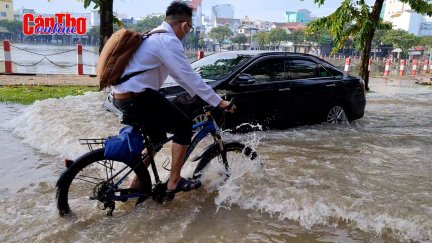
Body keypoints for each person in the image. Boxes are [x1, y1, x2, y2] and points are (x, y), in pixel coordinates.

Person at [111, 1, 235, 198]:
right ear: (185, 25)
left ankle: (138, 182)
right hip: (138, 97)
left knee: (157, 138)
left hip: (122, 96)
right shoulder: (169, 41)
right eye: (189, 28)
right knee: (183, 126)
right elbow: (190, 76)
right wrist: (218, 101)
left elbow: (180, 77)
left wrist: (199, 95)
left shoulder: (153, 35)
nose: (187, 33)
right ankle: (174, 181)